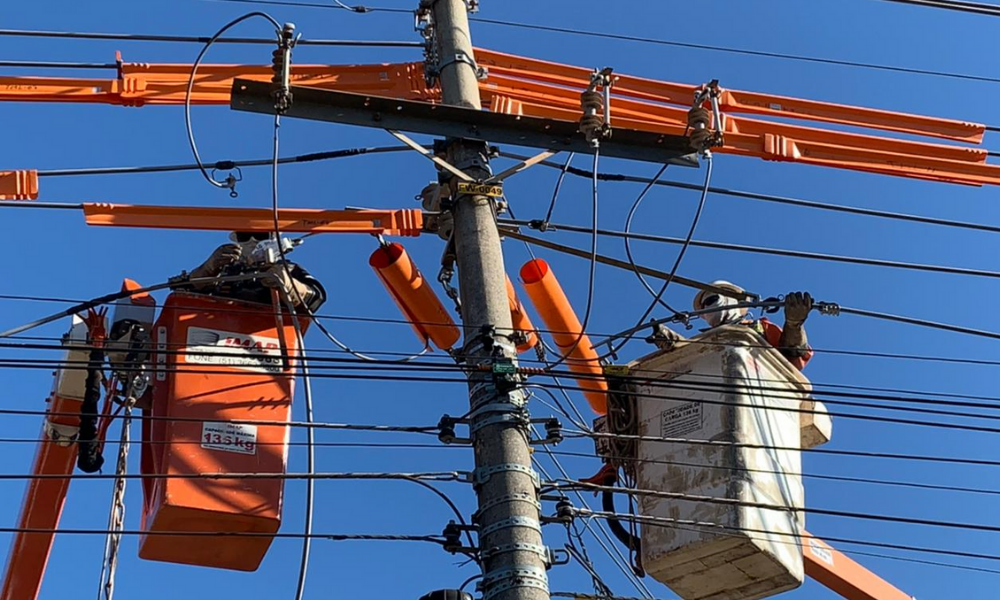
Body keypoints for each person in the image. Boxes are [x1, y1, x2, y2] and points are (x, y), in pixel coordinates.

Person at [649, 280, 813, 370]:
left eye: (712, 300)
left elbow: (793, 356)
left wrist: (793, 325)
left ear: (731, 301)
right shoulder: (705, 340)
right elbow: (688, 358)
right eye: (704, 308)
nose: (709, 308)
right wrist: (670, 340)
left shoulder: (759, 327)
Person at [175, 231, 327, 313]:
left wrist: (286, 283)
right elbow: (184, 291)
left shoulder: (288, 268)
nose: (253, 240)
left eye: (260, 235)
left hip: (264, 337)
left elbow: (314, 298)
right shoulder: (224, 269)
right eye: (245, 236)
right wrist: (208, 268)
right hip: (214, 331)